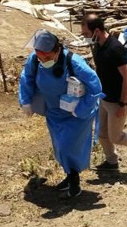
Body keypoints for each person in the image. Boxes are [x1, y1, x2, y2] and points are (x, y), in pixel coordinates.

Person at [18, 29, 103, 198]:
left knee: (67, 145)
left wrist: (80, 110)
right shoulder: (35, 60)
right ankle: (70, 175)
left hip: (76, 114)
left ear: (57, 51)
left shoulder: (74, 62)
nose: (43, 61)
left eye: (47, 58)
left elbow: (95, 86)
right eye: (41, 57)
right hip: (54, 113)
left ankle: (74, 181)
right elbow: (26, 78)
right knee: (59, 147)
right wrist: (25, 101)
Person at [81, 15, 127, 171]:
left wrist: (122, 102)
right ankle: (111, 161)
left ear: (97, 31)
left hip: (117, 101)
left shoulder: (114, 48)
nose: (84, 37)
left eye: (86, 34)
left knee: (115, 136)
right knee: (101, 133)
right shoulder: (97, 45)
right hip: (104, 98)